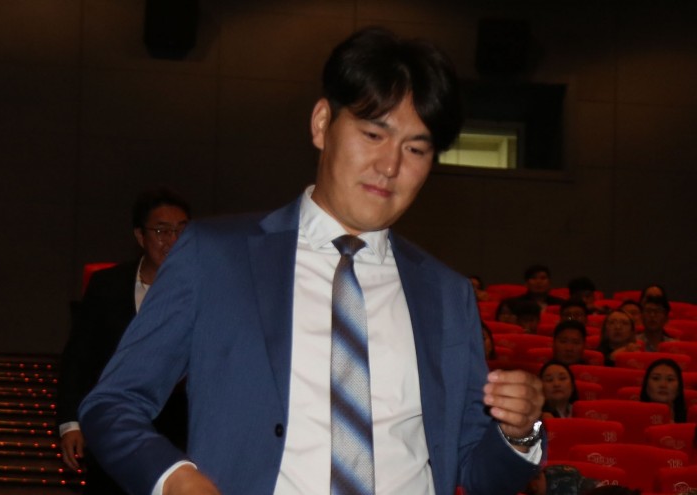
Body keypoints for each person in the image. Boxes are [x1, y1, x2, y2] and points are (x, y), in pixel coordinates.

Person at [79, 27, 544, 495]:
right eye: (373, 134)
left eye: (416, 149)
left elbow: (476, 471)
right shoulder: (215, 256)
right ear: (322, 123)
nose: (390, 166)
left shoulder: (447, 295)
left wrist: (519, 433)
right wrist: (175, 480)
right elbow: (112, 404)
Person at [58, 186, 191, 495]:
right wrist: (70, 423)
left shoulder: (205, 289)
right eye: (162, 231)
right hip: (113, 428)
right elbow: (78, 358)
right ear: (140, 236)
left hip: (181, 434)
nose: (173, 240)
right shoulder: (107, 286)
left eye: (182, 231)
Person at [640, 358, 687, 423]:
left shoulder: (691, 418)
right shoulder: (633, 415)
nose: (663, 385)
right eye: (656, 378)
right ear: (646, 385)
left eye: (670, 379)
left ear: (679, 387)